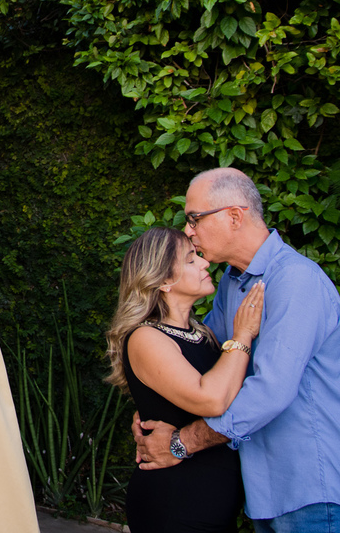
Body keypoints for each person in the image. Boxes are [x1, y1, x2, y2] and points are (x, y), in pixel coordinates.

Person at [134, 167, 340, 532]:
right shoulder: (234, 282)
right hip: (263, 496)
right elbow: (205, 361)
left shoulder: (295, 280)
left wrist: (182, 442)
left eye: (195, 218)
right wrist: (151, 412)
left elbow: (270, 391)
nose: (189, 230)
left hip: (317, 491)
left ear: (234, 216)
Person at [107, 226, 264, 532]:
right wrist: (243, 335)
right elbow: (212, 399)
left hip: (211, 502)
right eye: (191, 260)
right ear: (164, 281)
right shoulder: (145, 337)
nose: (205, 263)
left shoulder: (201, 334)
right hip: (175, 501)